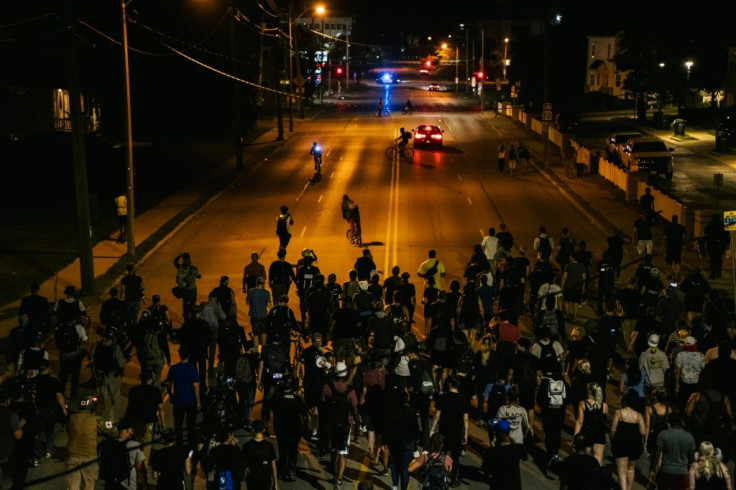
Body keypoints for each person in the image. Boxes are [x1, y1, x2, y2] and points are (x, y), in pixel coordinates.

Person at [321, 361, 358, 487]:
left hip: (331, 424)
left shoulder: (327, 387)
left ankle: (335, 472)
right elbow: (355, 409)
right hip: (344, 425)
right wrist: (357, 426)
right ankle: (339, 479)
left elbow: (322, 403)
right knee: (343, 453)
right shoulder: (350, 391)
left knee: (334, 450)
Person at [430, 376, 468, 486]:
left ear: (450, 384)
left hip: (444, 431)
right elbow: (465, 419)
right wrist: (466, 434)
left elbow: (437, 416)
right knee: (455, 457)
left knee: (443, 454)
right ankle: (454, 478)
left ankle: (443, 476)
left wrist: (432, 429)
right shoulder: (463, 399)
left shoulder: (443, 397)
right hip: (457, 432)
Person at [65, 395, 104, 490]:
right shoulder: (96, 419)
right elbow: (113, 431)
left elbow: (69, 432)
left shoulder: (72, 418)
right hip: (89, 457)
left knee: (72, 486)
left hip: (72, 456)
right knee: (89, 485)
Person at [125, 371, 165, 465]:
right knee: (146, 447)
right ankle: (143, 468)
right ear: (151, 379)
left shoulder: (134, 391)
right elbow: (161, 408)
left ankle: (136, 464)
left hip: (137, 421)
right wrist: (163, 422)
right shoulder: (155, 391)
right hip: (149, 422)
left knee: (138, 443)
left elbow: (129, 407)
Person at [610, 389, 646, 490]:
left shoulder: (619, 413)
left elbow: (612, 430)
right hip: (635, 445)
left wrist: (613, 439)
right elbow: (643, 432)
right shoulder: (639, 416)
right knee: (631, 469)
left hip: (621, 443)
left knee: (621, 471)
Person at [166, 348, 201, 447]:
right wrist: (198, 401)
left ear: (179, 354)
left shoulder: (174, 368)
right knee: (191, 425)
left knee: (178, 425)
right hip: (190, 401)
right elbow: (195, 385)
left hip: (178, 401)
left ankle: (179, 445)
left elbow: (169, 384)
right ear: (188, 355)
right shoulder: (192, 367)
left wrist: (171, 396)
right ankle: (192, 445)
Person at [651, 412, 696, 490]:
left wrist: (652, 469)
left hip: (666, 470)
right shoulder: (689, 437)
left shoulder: (663, 434)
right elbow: (692, 458)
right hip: (682, 472)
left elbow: (657, 454)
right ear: (681, 422)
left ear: (669, 422)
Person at [386, 390, 419, 490]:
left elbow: (388, 428)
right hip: (408, 443)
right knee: (404, 467)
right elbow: (416, 428)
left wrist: (386, 441)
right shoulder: (411, 411)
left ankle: (395, 485)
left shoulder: (393, 411)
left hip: (395, 442)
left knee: (394, 464)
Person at [100, 419, 146, 490]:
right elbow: (139, 468)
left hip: (110, 483)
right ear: (128, 430)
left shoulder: (108, 444)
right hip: (127, 485)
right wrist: (144, 484)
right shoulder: (135, 445)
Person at [482, 419, 527, 490]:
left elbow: (487, 470)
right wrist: (510, 439)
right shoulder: (518, 448)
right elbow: (525, 457)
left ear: (497, 434)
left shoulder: (491, 451)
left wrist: (493, 445)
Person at [573, 382, 608, 465]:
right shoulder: (604, 405)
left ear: (590, 392)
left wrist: (576, 435)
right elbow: (605, 418)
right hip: (599, 432)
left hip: (587, 431)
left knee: (587, 456)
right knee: (598, 457)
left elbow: (580, 421)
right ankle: (597, 473)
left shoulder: (583, 404)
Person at [242, 420, 278, 490]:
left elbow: (243, 466)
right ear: (263, 430)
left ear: (252, 430)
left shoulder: (247, 446)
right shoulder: (269, 446)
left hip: (252, 479)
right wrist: (275, 484)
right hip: (266, 480)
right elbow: (273, 467)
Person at [173, 252, 201, 316]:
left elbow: (174, 261)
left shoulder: (180, 266)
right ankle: (192, 316)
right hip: (192, 289)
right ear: (189, 258)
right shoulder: (192, 267)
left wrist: (179, 256)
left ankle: (186, 316)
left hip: (184, 289)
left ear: (183, 258)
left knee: (185, 303)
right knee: (192, 304)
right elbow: (199, 276)